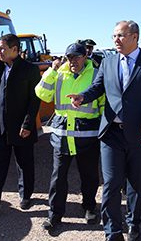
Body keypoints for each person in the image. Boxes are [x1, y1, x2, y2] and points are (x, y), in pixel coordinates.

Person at [68, 20, 141, 241]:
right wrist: (83, 96)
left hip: (140, 135)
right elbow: (98, 86)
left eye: (120, 36)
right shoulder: (108, 62)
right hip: (111, 134)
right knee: (111, 183)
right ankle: (112, 230)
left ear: (134, 37)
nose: (116, 40)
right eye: (114, 36)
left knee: (136, 183)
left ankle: (134, 222)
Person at [35, 42, 104, 231]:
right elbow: (42, 94)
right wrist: (51, 71)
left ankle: (89, 207)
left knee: (89, 176)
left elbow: (104, 103)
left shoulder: (96, 74)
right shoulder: (59, 73)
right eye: (69, 57)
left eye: (76, 57)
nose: (72, 61)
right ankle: (54, 215)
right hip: (62, 135)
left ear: (85, 57)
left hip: (87, 135)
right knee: (58, 178)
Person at [0, 34, 41, 214]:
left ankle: (25, 196)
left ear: (15, 49)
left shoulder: (29, 70)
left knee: (24, 163)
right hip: (1, 127)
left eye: (2, 48)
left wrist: (27, 125)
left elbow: (34, 100)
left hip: (21, 129)